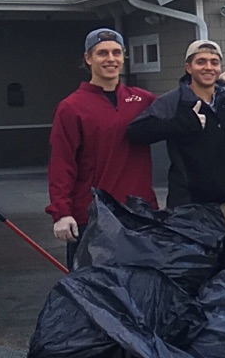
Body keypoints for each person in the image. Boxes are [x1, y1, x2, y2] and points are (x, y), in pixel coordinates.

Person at [46, 27, 157, 265]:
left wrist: (222, 82)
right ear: (88, 58)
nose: (111, 59)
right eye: (102, 53)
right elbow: (61, 163)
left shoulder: (143, 100)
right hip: (92, 217)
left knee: (141, 289)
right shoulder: (71, 107)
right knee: (92, 293)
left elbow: (185, 102)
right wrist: (61, 212)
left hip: (138, 214)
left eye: (116, 53)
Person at [126, 39, 225, 209]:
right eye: (201, 62)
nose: (208, 67)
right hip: (187, 205)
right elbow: (135, 132)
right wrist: (180, 124)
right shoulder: (175, 101)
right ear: (188, 67)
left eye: (214, 62)